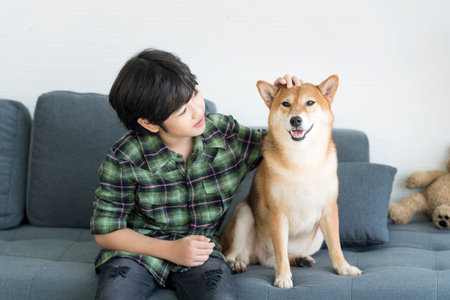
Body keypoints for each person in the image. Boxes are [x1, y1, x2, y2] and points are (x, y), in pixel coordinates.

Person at [90, 48, 301, 300]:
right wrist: (170, 249)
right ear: (149, 123)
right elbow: (106, 231)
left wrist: (284, 101)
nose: (197, 110)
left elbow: (280, 145)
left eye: (195, 94)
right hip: (137, 253)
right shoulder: (125, 157)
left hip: (201, 253)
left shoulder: (224, 134)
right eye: (181, 111)